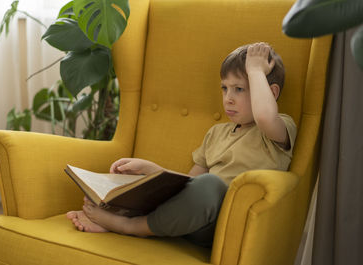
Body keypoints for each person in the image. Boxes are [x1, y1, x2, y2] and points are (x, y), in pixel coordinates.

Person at [66, 42, 297, 248]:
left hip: (220, 225)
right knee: (194, 184)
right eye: (225, 88)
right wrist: (152, 170)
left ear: (271, 93)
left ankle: (130, 226)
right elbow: (188, 185)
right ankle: (116, 212)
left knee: (211, 185)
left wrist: (256, 69)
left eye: (239, 89)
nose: (228, 98)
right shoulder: (216, 134)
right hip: (191, 215)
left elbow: (265, 117)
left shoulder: (278, 129)